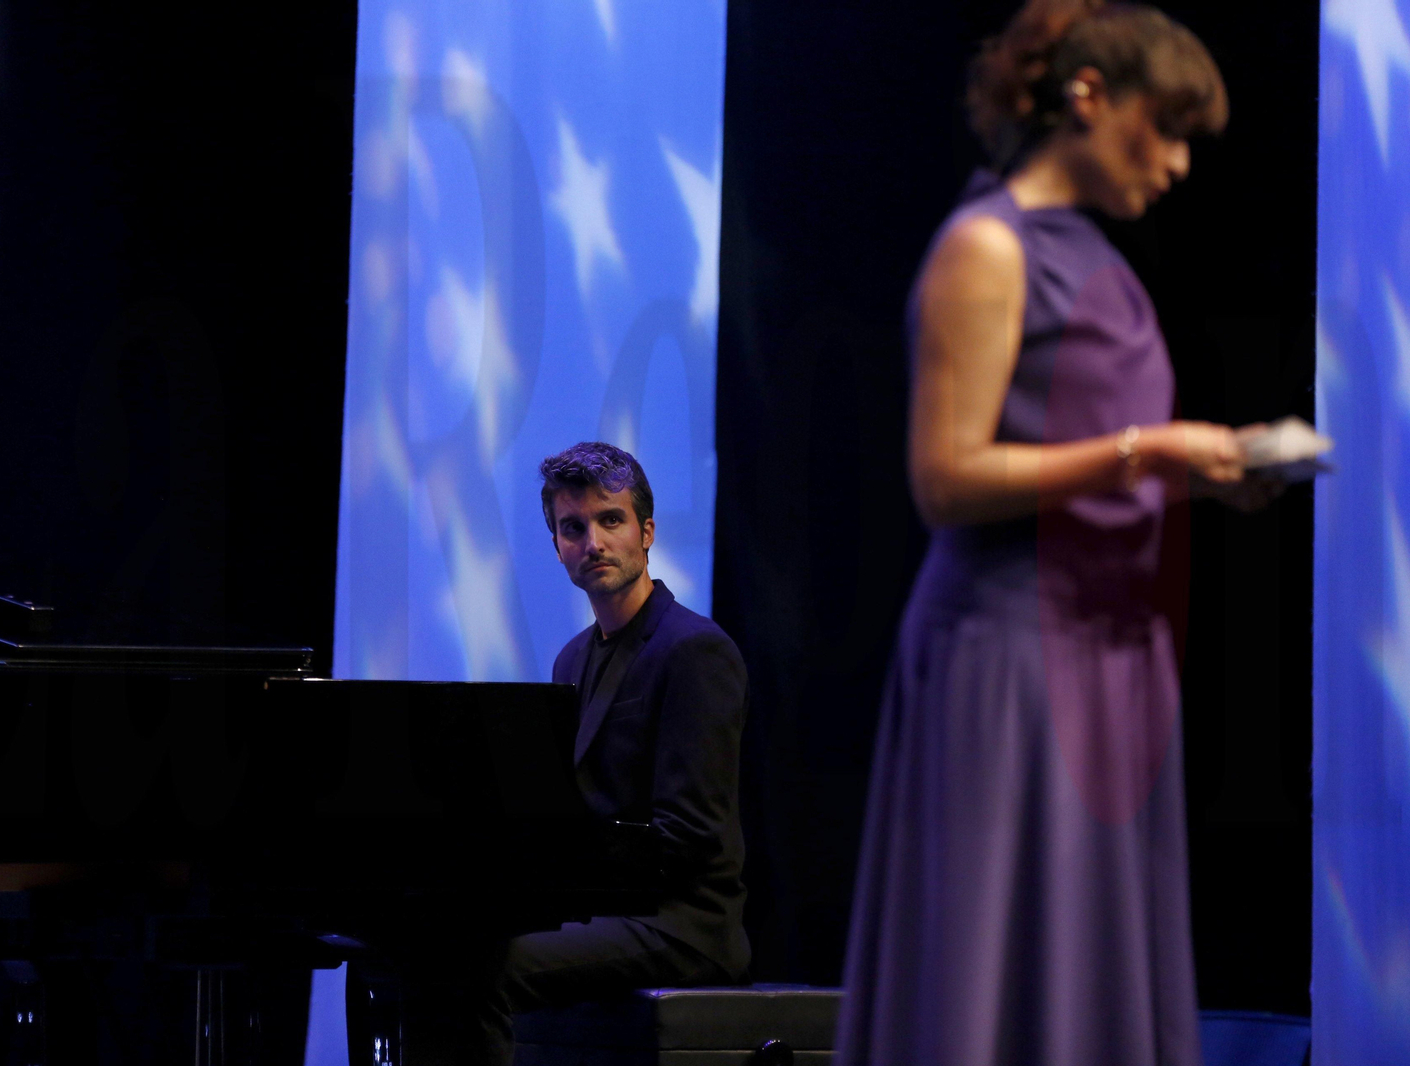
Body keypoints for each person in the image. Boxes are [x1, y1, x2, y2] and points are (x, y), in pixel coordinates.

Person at [836, 3, 1248, 1064]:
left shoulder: (1097, 262)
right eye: (1166, 126)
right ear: (1087, 97)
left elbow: (1088, 459)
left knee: (1092, 984)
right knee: (990, 983)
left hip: (1111, 661)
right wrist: (1151, 452)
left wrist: (1198, 476)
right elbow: (946, 474)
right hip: (1009, 654)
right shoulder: (987, 247)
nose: (1178, 162)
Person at [395, 441, 750, 1066]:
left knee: (478, 969)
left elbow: (690, 838)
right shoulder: (573, 657)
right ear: (557, 545)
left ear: (646, 532)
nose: (593, 541)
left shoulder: (696, 650)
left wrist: (567, 877)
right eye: (572, 527)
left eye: (610, 520)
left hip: (684, 922)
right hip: (610, 908)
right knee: (421, 950)